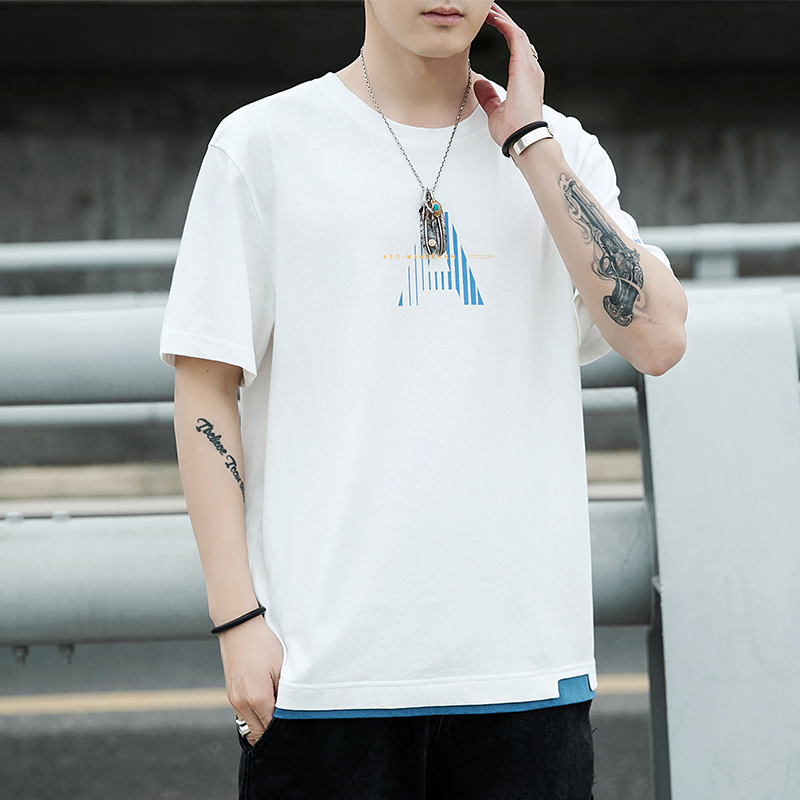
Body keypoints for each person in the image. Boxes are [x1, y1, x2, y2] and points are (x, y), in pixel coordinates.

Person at [160, 2, 687, 797]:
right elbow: (205, 386)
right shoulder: (263, 145)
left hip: (525, 676)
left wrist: (529, 141)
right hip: (324, 680)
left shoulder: (558, 149)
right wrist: (238, 624)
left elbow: (658, 338)